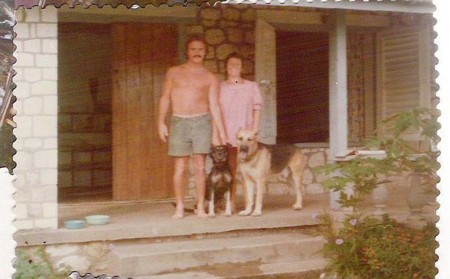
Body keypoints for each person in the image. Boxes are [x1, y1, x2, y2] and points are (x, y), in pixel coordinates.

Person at [158, 36, 227, 219]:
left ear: (205, 53)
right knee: (180, 167)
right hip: (179, 121)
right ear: (187, 52)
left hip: (201, 122)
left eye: (201, 50)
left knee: (200, 167)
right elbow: (165, 97)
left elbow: (214, 105)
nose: (197, 52)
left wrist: (220, 132)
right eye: (193, 49)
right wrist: (160, 122)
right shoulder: (174, 72)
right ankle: (180, 206)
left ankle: (200, 207)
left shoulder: (210, 77)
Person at [214, 52, 263, 212]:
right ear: (226, 68)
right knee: (229, 170)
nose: (234, 67)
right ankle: (230, 202)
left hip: (245, 137)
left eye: (237, 64)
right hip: (226, 135)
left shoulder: (251, 86)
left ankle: (248, 204)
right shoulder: (220, 87)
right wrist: (218, 134)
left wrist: (255, 131)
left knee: (245, 171)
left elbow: (257, 108)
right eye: (230, 64)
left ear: (242, 67)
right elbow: (215, 111)